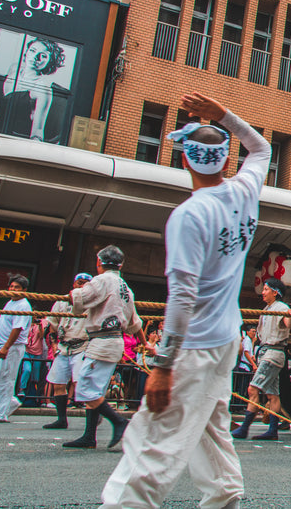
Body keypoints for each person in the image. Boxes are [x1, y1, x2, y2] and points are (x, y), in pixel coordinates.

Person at [101, 92, 269, 509]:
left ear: (185, 161)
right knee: (212, 429)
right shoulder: (245, 191)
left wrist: (163, 365)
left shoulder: (189, 216)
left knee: (154, 441)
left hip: (193, 346)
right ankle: (224, 498)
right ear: (226, 162)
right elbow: (261, 147)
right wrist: (225, 115)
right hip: (226, 338)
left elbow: (182, 298)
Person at [63, 245, 142, 449]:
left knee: (86, 388)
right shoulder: (125, 286)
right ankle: (89, 436)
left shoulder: (101, 280)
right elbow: (134, 323)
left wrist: (73, 293)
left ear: (98, 263)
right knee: (94, 389)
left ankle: (119, 421)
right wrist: (145, 344)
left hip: (102, 341)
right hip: (113, 340)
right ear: (121, 264)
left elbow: (80, 298)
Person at [231, 278, 291, 441]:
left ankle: (244, 428)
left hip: (273, 352)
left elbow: (288, 324)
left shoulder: (282, 308)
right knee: (272, 395)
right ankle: (272, 430)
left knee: (252, 389)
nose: (263, 292)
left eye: (266, 289)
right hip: (268, 353)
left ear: (275, 292)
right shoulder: (267, 308)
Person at [41, 272, 92, 429]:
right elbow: (52, 324)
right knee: (58, 383)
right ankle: (61, 418)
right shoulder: (62, 301)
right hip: (63, 345)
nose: (81, 285)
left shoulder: (92, 302)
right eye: (79, 282)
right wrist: (54, 344)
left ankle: (94, 414)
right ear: (74, 283)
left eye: (85, 283)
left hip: (82, 344)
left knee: (80, 382)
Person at [0, 37, 68, 142]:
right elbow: (0, 103)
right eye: (33, 51)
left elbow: (38, 131)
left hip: (12, 138)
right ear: (26, 52)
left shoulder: (42, 89)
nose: (36, 57)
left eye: (43, 55)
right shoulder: (14, 70)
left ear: (50, 61)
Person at [0, 276, 32, 423]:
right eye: (11, 286)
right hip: (0, 346)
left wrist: (6, 347)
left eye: (16, 287)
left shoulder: (23, 305)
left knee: (5, 379)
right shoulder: (10, 302)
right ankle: (10, 401)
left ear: (24, 290)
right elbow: (5, 324)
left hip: (11, 347)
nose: (13, 289)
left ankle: (1, 413)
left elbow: (17, 329)